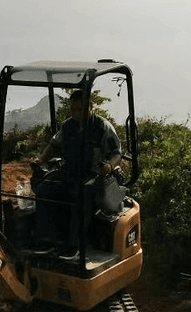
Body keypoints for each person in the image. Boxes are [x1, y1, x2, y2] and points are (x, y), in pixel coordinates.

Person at [31, 91, 123, 255]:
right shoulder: (67, 126)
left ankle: (74, 246)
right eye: (73, 110)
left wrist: (108, 166)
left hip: (94, 174)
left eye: (80, 109)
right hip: (70, 172)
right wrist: (40, 161)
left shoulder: (103, 127)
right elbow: (53, 146)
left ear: (90, 106)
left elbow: (117, 153)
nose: (76, 114)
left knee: (82, 193)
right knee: (45, 188)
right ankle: (46, 240)